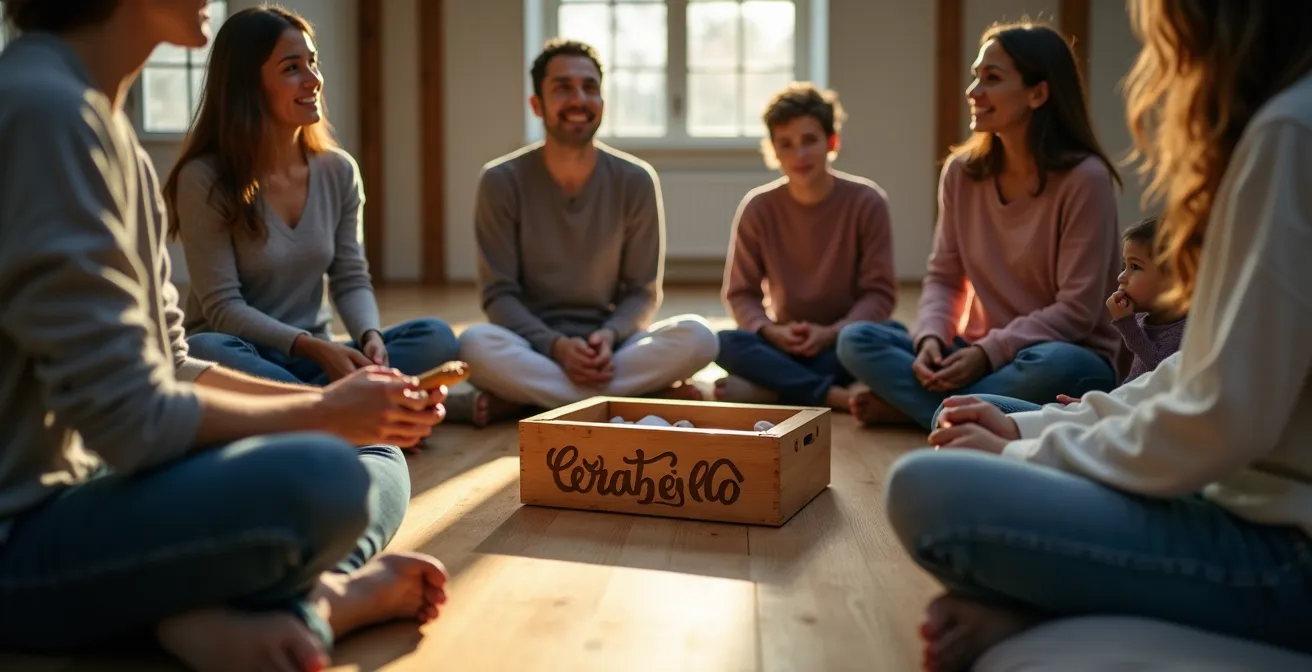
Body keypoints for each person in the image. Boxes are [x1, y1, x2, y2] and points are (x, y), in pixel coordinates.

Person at [0, 3, 450, 670]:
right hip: (23, 539)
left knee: (375, 450)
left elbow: (170, 365)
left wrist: (346, 406)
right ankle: (307, 599)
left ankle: (200, 604)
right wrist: (324, 412)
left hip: (92, 485)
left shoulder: (97, 123)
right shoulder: (45, 112)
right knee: (328, 471)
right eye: (290, 66)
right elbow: (131, 421)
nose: (311, 78)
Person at [886, 1, 1312, 669]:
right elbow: (1196, 373)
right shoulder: (1283, 126)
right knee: (926, 386)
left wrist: (1026, 449)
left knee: (928, 488)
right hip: (1232, 489)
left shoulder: (1288, 131)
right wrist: (1022, 427)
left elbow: (1215, 414)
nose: (976, 91)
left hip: (1280, 545)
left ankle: (1044, 604)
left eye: (991, 77)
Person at [835, 21, 1123, 431]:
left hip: (1058, 355)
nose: (973, 91)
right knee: (857, 339)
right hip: (975, 349)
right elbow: (944, 277)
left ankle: (923, 409)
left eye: (992, 79)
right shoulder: (961, 173)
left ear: (1038, 93)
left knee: (1061, 364)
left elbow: (1076, 311)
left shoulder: (1085, 178)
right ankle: (966, 411)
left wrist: (988, 353)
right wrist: (931, 338)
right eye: (975, 76)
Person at [165, 6, 459, 386]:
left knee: (435, 337)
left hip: (312, 358)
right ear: (246, 85)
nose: (314, 79)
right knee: (206, 348)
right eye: (292, 68)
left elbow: (350, 277)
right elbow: (223, 308)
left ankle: (321, 408)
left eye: (312, 62)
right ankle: (349, 407)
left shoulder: (338, 170)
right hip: (243, 356)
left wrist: (370, 337)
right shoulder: (204, 177)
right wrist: (312, 348)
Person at [453, 38, 719, 425]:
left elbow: (642, 292)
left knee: (700, 337)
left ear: (602, 101)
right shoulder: (500, 180)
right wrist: (556, 346)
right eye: (563, 88)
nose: (579, 99)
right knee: (474, 344)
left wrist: (609, 337)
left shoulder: (636, 180)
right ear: (537, 105)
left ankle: (532, 402)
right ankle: (638, 399)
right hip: (534, 345)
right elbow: (499, 294)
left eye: (589, 87)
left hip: (611, 350)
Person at [715, 82, 896, 410]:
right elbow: (740, 294)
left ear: (832, 142)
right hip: (784, 342)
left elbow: (879, 294)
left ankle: (777, 389)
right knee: (723, 343)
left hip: (844, 342)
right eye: (786, 144)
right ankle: (834, 395)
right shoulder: (758, 207)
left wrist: (830, 334)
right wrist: (771, 332)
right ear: (773, 150)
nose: (799, 155)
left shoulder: (867, 201)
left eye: (809, 141)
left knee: (893, 338)